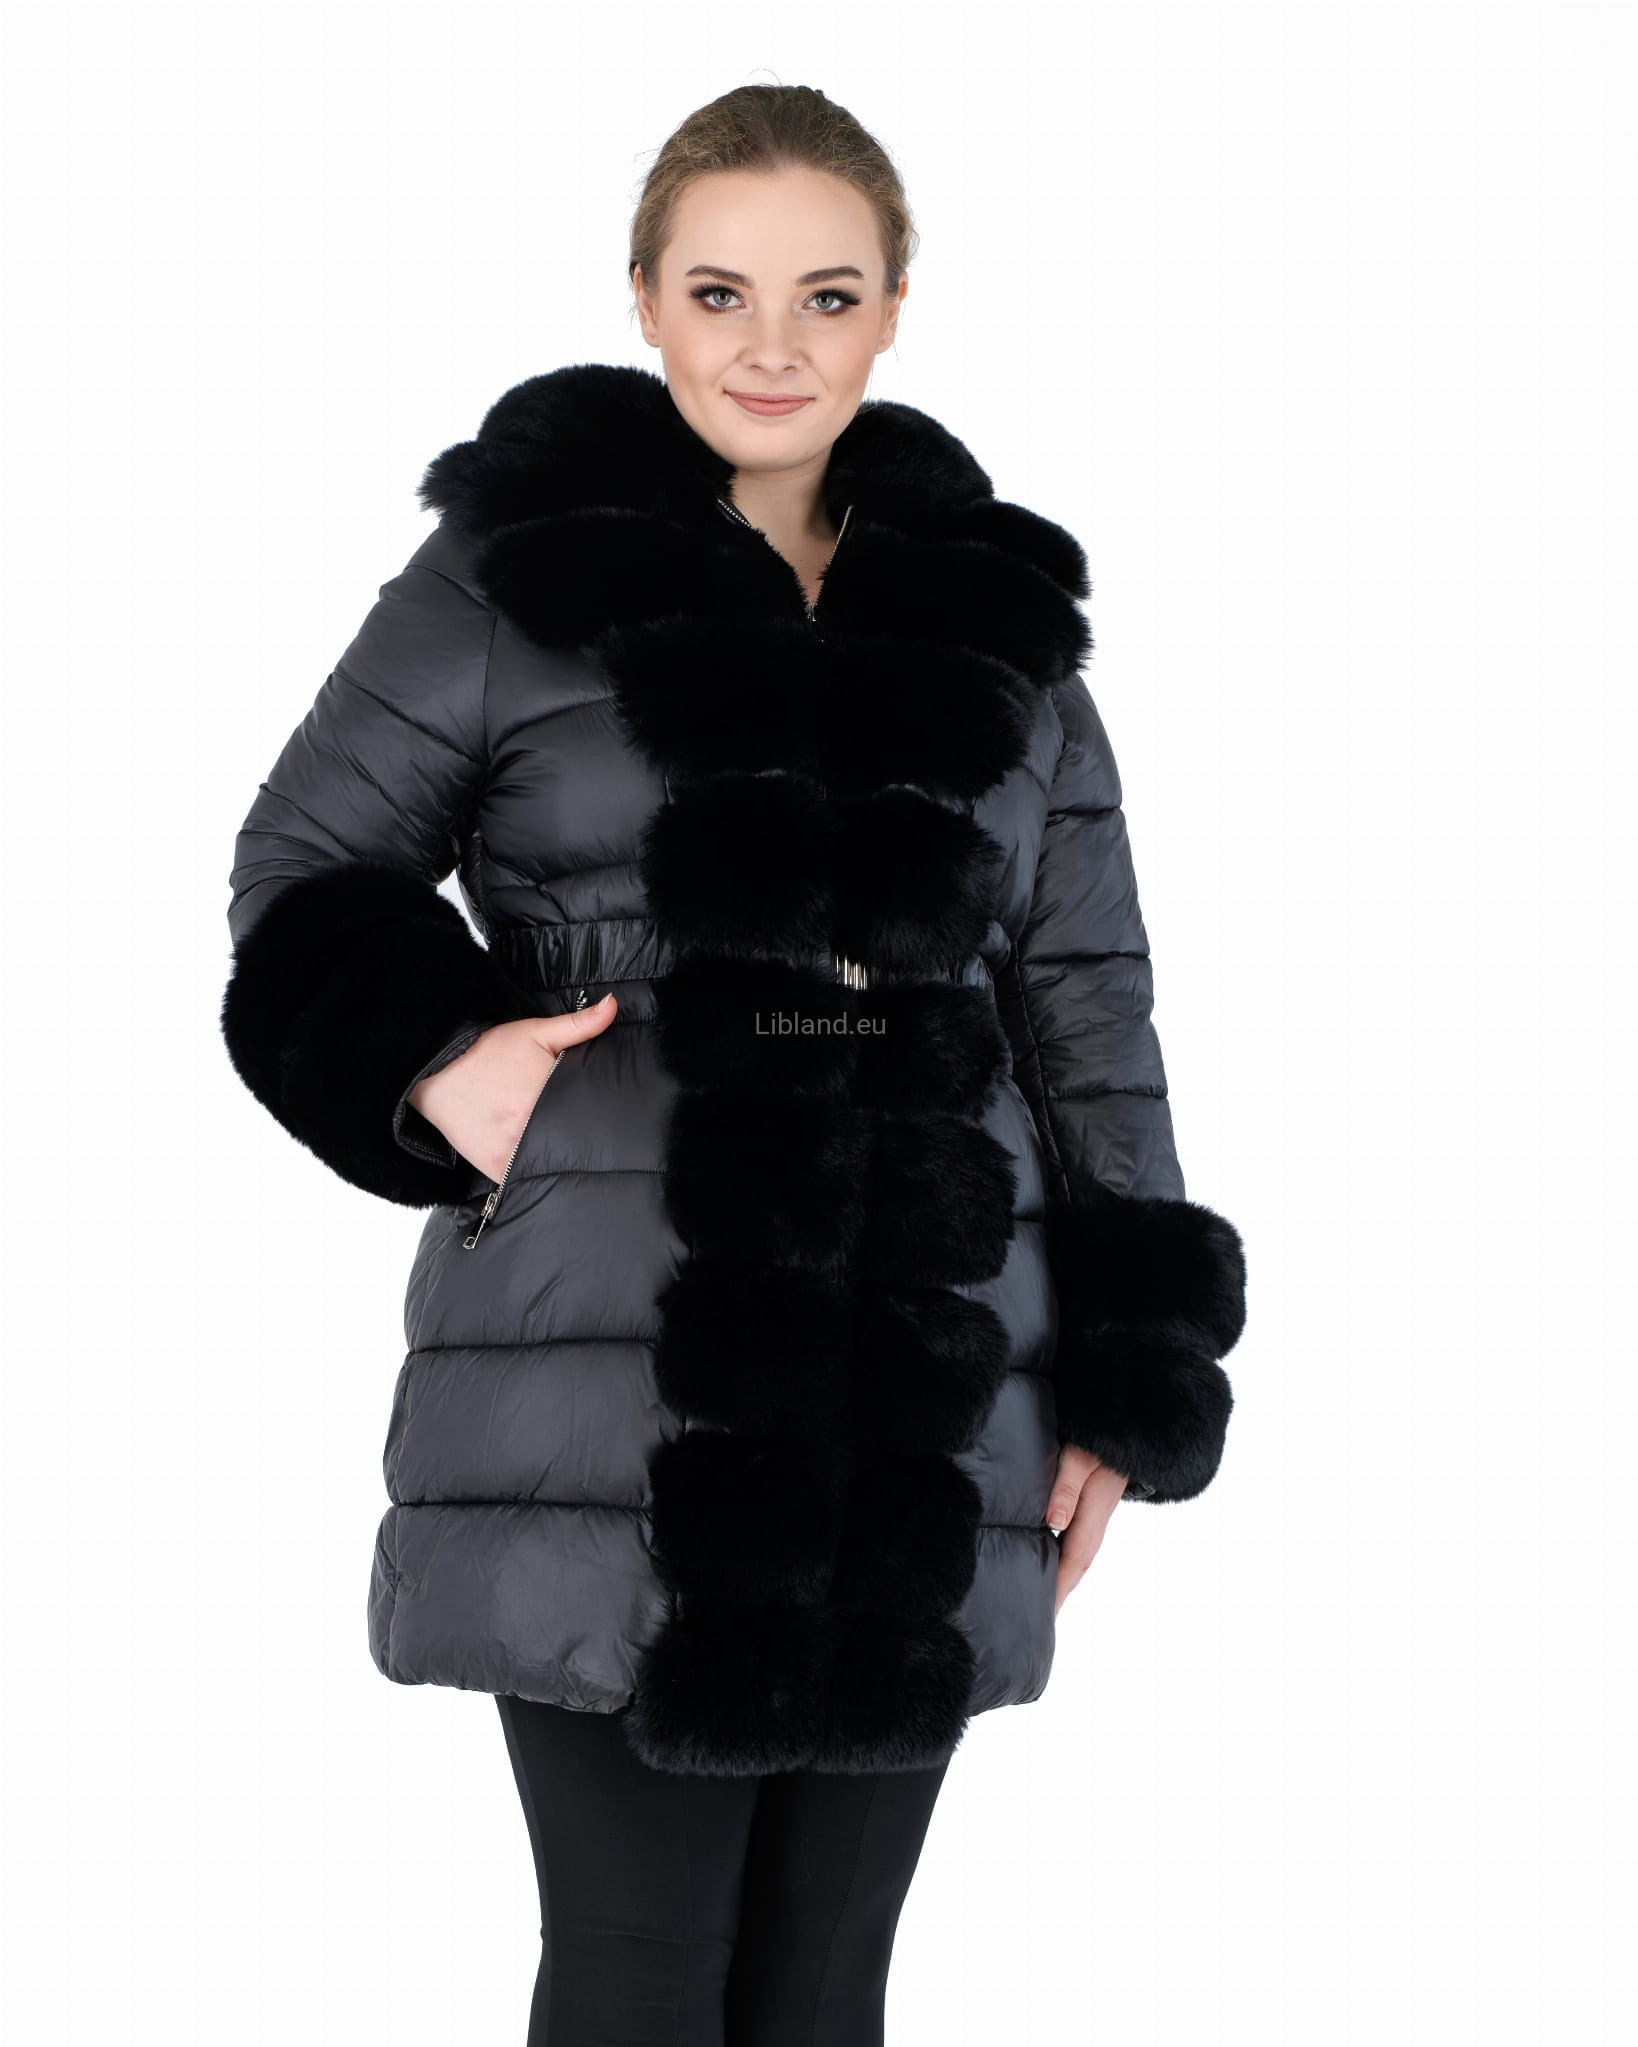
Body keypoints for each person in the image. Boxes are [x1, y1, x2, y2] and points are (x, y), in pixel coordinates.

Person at [219, 82, 1247, 2047]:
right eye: (719, 291)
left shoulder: (1002, 635)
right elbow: (302, 866)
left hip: (937, 1363)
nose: (771, 346)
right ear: (645, 300)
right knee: (637, 1972)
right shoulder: (513, 577)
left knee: (823, 1988)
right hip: (623, 1359)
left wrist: (1128, 1367)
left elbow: (1089, 1009)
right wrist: (435, 1056)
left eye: (825, 295)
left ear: (892, 310)